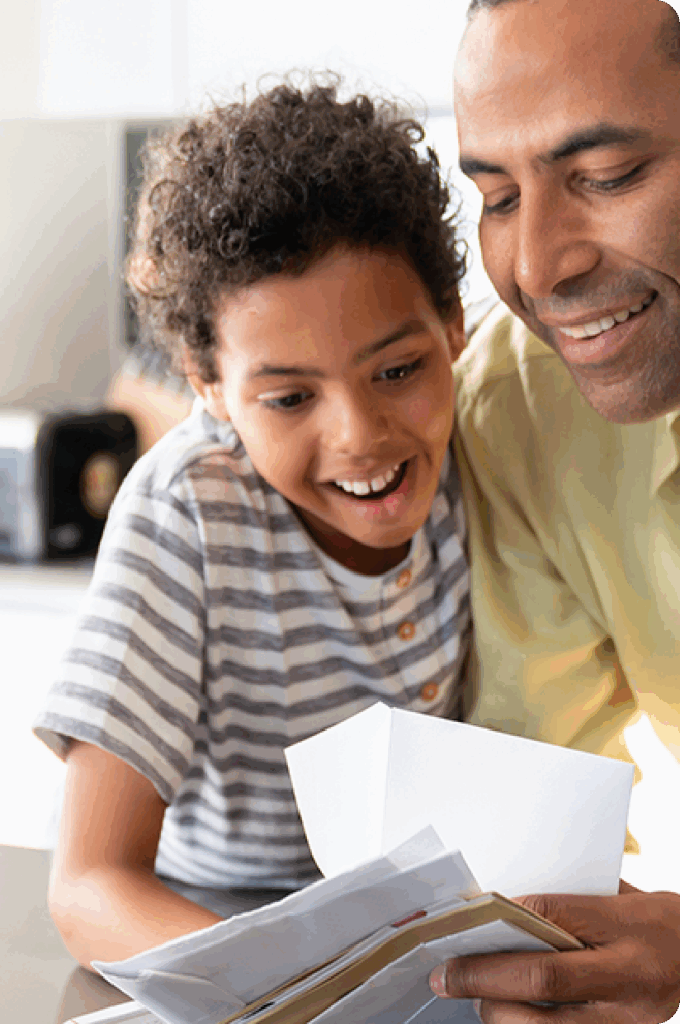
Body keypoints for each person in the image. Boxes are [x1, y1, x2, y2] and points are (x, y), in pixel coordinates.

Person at [32, 77, 472, 970]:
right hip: (225, 946)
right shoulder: (188, 512)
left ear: (455, 326)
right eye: (289, 396)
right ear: (208, 389)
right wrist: (303, 984)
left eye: (396, 370)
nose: (359, 435)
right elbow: (87, 889)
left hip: (413, 946)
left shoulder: (478, 456)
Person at [427, 0, 680, 1019]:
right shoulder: (516, 401)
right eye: (493, 196)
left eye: (604, 177)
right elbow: (547, 845)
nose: (534, 268)